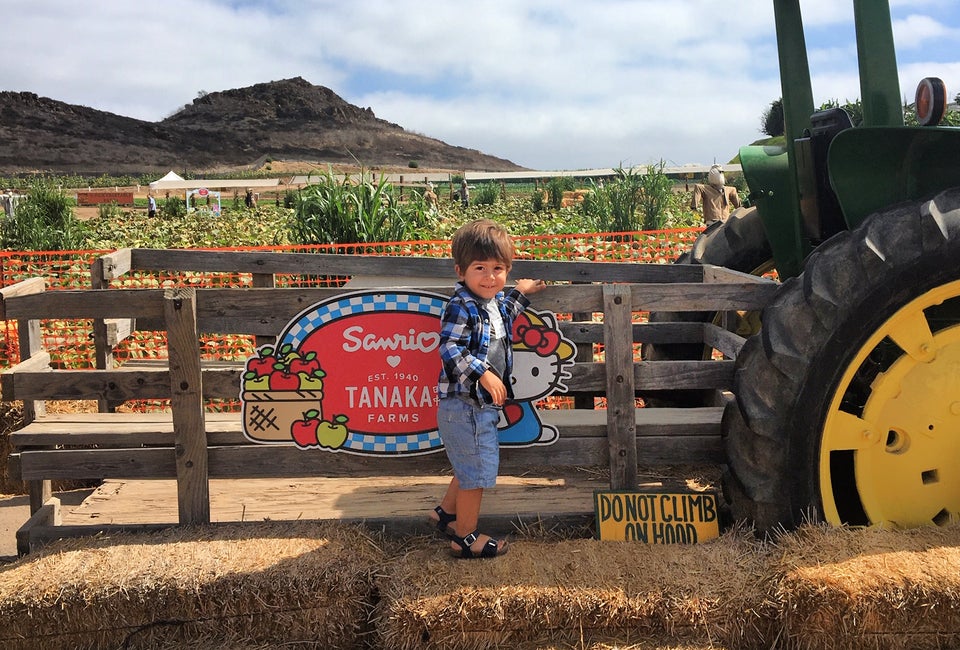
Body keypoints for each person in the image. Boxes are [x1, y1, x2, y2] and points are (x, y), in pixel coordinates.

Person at [431, 219, 546, 559]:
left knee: (470, 464)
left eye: (498, 269)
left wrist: (521, 292)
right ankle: (465, 537)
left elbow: (505, 312)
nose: (489, 276)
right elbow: (449, 346)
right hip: (465, 404)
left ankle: (446, 514)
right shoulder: (461, 305)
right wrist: (482, 373)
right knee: (477, 473)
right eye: (480, 268)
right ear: (460, 270)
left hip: (476, 407)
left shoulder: (492, 303)